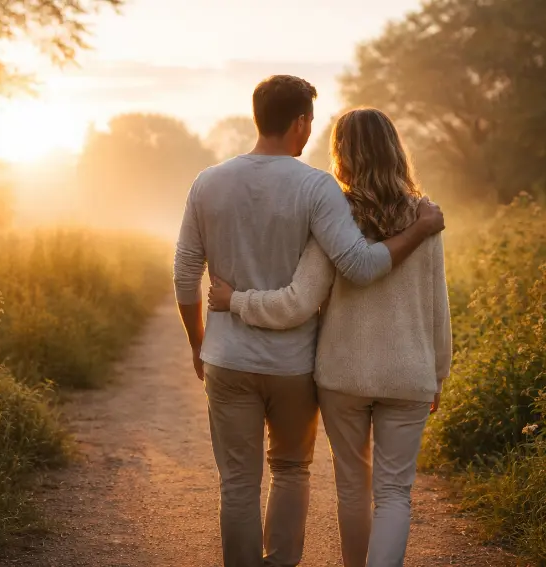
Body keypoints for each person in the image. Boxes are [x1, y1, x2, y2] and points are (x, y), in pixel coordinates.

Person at [172, 75, 445, 567]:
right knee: (293, 470)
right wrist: (422, 228)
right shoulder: (319, 190)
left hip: (230, 357)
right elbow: (368, 269)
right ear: (300, 122)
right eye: (310, 121)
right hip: (294, 365)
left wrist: (198, 340)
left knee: (237, 484)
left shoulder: (207, 181)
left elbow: (185, 272)